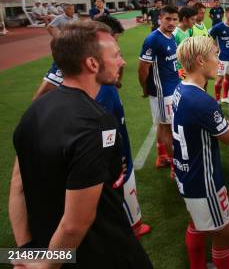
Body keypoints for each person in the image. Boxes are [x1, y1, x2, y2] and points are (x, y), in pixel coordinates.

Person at [10, 21, 152, 268]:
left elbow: (17, 187)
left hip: (51, 247)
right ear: (92, 63)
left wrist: (27, 250)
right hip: (101, 253)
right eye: (116, 55)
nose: (122, 61)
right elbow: (76, 223)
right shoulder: (96, 123)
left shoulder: (33, 112)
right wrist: (46, 265)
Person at [172, 36, 229, 269]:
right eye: (214, 55)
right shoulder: (201, 101)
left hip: (186, 174)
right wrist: (224, 122)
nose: (219, 60)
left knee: (196, 223)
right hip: (204, 181)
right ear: (200, 60)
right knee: (223, 234)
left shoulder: (180, 88)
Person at [138, 5, 181, 170]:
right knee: (168, 128)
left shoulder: (170, 36)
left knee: (163, 125)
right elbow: (143, 68)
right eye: (168, 19)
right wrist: (145, 88)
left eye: (174, 19)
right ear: (160, 19)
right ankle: (174, 166)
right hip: (162, 92)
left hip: (172, 87)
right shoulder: (153, 39)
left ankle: (162, 156)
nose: (171, 22)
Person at [209, 7, 229, 104]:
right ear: (226, 15)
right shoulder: (218, 27)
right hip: (222, 58)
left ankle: (225, 97)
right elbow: (209, 38)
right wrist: (214, 49)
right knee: (219, 79)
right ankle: (217, 100)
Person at [174, 6, 197, 78]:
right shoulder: (175, 34)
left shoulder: (189, 30)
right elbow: (173, 55)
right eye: (192, 19)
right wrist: (179, 70)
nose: (194, 23)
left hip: (187, 66)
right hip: (179, 69)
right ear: (184, 19)